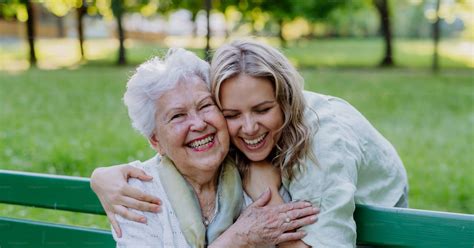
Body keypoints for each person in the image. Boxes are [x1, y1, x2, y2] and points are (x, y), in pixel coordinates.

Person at [92, 39, 408, 247]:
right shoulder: (142, 191)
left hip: (381, 230)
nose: (247, 127)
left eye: (205, 107)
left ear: (286, 100)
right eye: (231, 113)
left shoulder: (314, 146)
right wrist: (100, 177)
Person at [105, 48, 318, 247]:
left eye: (205, 106)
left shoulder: (258, 174)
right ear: (155, 141)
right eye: (178, 116)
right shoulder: (135, 193)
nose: (199, 124)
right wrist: (237, 238)